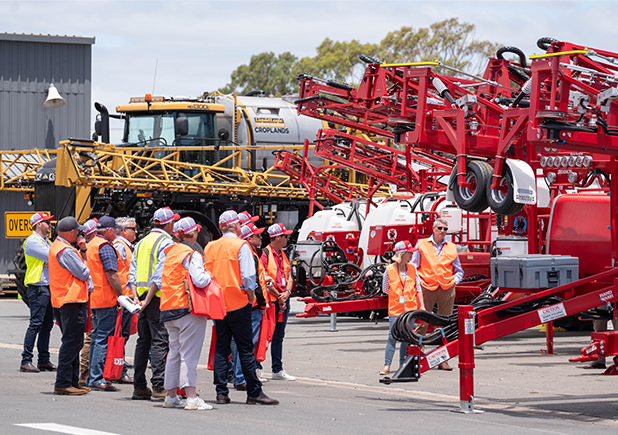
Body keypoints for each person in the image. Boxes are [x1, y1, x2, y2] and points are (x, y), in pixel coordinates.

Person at [204, 210, 278, 405]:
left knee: (222, 348)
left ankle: (221, 392)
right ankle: (254, 391)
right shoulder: (241, 245)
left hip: (218, 304)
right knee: (245, 349)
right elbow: (248, 277)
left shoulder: (210, 247)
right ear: (237, 227)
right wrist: (251, 296)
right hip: (238, 302)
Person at [148, 217, 213, 410]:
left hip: (168, 308)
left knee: (174, 353)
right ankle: (191, 397)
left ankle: (170, 396)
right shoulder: (191, 254)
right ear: (193, 233)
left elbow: (158, 278)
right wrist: (209, 275)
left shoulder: (169, 252)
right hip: (187, 309)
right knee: (189, 355)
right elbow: (200, 280)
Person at [129, 207, 178, 401]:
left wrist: (136, 298)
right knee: (159, 341)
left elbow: (132, 272)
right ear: (168, 223)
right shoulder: (166, 242)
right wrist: (148, 300)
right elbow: (159, 275)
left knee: (143, 341)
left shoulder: (141, 242)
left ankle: (139, 386)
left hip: (140, 296)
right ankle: (158, 386)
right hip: (156, 297)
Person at [412, 218, 464, 371]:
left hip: (447, 288)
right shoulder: (422, 244)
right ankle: (419, 355)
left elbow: (458, 270)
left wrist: (455, 281)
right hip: (426, 287)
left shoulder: (451, 247)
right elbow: (414, 266)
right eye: (440, 228)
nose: (442, 231)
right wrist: (419, 283)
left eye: (445, 229)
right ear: (433, 229)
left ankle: (443, 359)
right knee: (422, 321)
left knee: (445, 324)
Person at [49, 217, 92, 395]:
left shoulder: (59, 247)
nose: (78, 234)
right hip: (71, 301)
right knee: (71, 342)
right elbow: (83, 273)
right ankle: (63, 382)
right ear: (71, 232)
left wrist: (82, 250)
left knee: (75, 342)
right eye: (77, 231)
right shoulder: (65, 250)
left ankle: (72, 382)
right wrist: (85, 260)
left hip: (65, 300)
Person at [87, 216, 126, 391]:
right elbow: (112, 274)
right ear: (109, 230)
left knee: (96, 338)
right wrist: (121, 296)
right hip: (106, 298)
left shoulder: (92, 244)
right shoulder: (105, 246)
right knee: (102, 338)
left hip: (95, 298)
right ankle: (96, 378)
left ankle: (93, 376)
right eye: (115, 230)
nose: (116, 233)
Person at [232, 222, 271, 389]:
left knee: (237, 343)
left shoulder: (249, 252)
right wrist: (261, 303)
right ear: (249, 238)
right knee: (247, 343)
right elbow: (253, 281)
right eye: (257, 235)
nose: (260, 237)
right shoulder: (249, 253)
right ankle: (240, 377)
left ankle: (237, 375)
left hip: (239, 302)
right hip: (251, 304)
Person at [380, 241, 424, 375]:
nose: (412, 254)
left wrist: (421, 305)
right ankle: (387, 365)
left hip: (410, 309)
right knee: (393, 337)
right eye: (409, 252)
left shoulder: (413, 268)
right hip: (395, 309)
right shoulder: (389, 269)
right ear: (401, 254)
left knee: (406, 337)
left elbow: (418, 288)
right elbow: (385, 289)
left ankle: (402, 364)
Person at [20, 212, 56, 373]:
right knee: (36, 323)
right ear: (38, 224)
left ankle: (44, 360)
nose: (50, 225)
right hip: (38, 286)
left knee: (47, 324)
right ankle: (26, 360)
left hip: (48, 286)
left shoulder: (47, 241)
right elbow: (53, 257)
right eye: (47, 222)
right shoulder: (32, 242)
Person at [261, 223, 296, 381]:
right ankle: (257, 367)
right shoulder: (265, 254)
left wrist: (286, 293)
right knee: (266, 334)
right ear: (277, 237)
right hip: (272, 300)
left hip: (282, 299)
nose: (288, 239)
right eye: (285, 236)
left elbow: (289, 275)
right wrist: (279, 295)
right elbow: (264, 279)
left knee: (279, 335)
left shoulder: (284, 253)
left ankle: (277, 368)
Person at [114, 217, 138, 380]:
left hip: (125, 296)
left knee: (123, 334)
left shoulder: (125, 246)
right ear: (123, 230)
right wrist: (120, 297)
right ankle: (119, 370)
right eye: (132, 228)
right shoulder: (119, 246)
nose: (136, 231)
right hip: (123, 297)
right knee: (120, 335)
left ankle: (119, 367)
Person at [78, 217, 99, 386]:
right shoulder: (91, 248)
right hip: (94, 297)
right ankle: (84, 373)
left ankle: (86, 371)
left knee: (91, 336)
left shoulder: (86, 249)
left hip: (91, 296)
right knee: (91, 336)